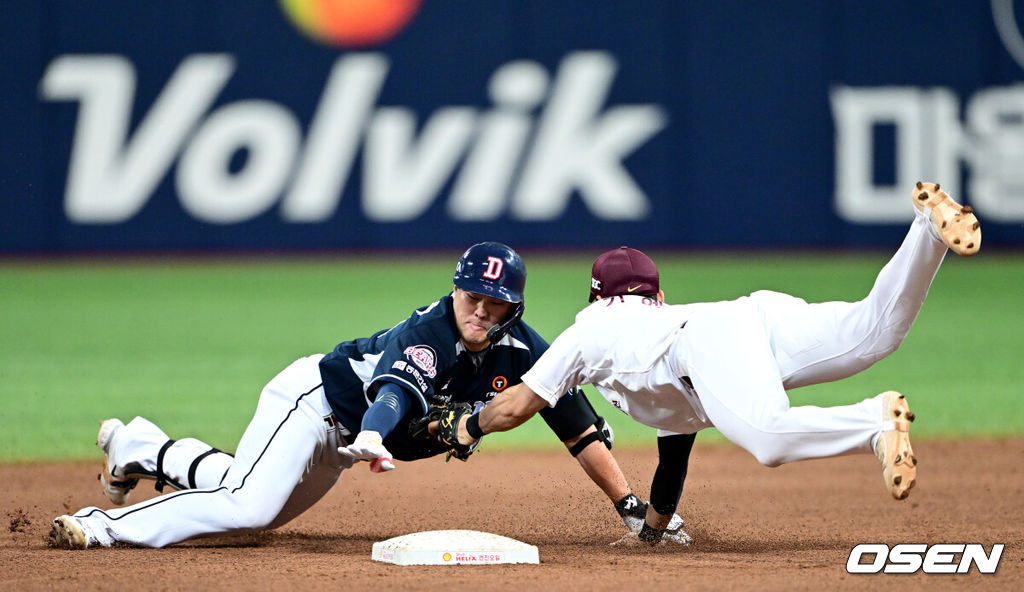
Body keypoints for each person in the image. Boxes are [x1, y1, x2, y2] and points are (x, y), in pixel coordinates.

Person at [427, 182, 981, 545]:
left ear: (598, 297)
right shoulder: (659, 324)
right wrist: (652, 531)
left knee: (769, 437)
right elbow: (674, 457)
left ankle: (873, 424)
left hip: (708, 345)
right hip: (751, 315)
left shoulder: (589, 329)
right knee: (874, 331)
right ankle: (926, 232)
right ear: (656, 297)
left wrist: (467, 425)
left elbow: (522, 402)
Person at [49, 242, 689, 549]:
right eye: (473, 297)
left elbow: (576, 425)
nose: (482, 312)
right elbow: (391, 395)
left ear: (514, 308)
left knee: (254, 506)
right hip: (316, 403)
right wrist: (375, 436)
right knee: (246, 508)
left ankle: (141, 445)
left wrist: (631, 504)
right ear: (455, 291)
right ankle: (96, 526)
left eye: (497, 304)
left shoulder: (526, 349)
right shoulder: (429, 333)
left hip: (348, 438)